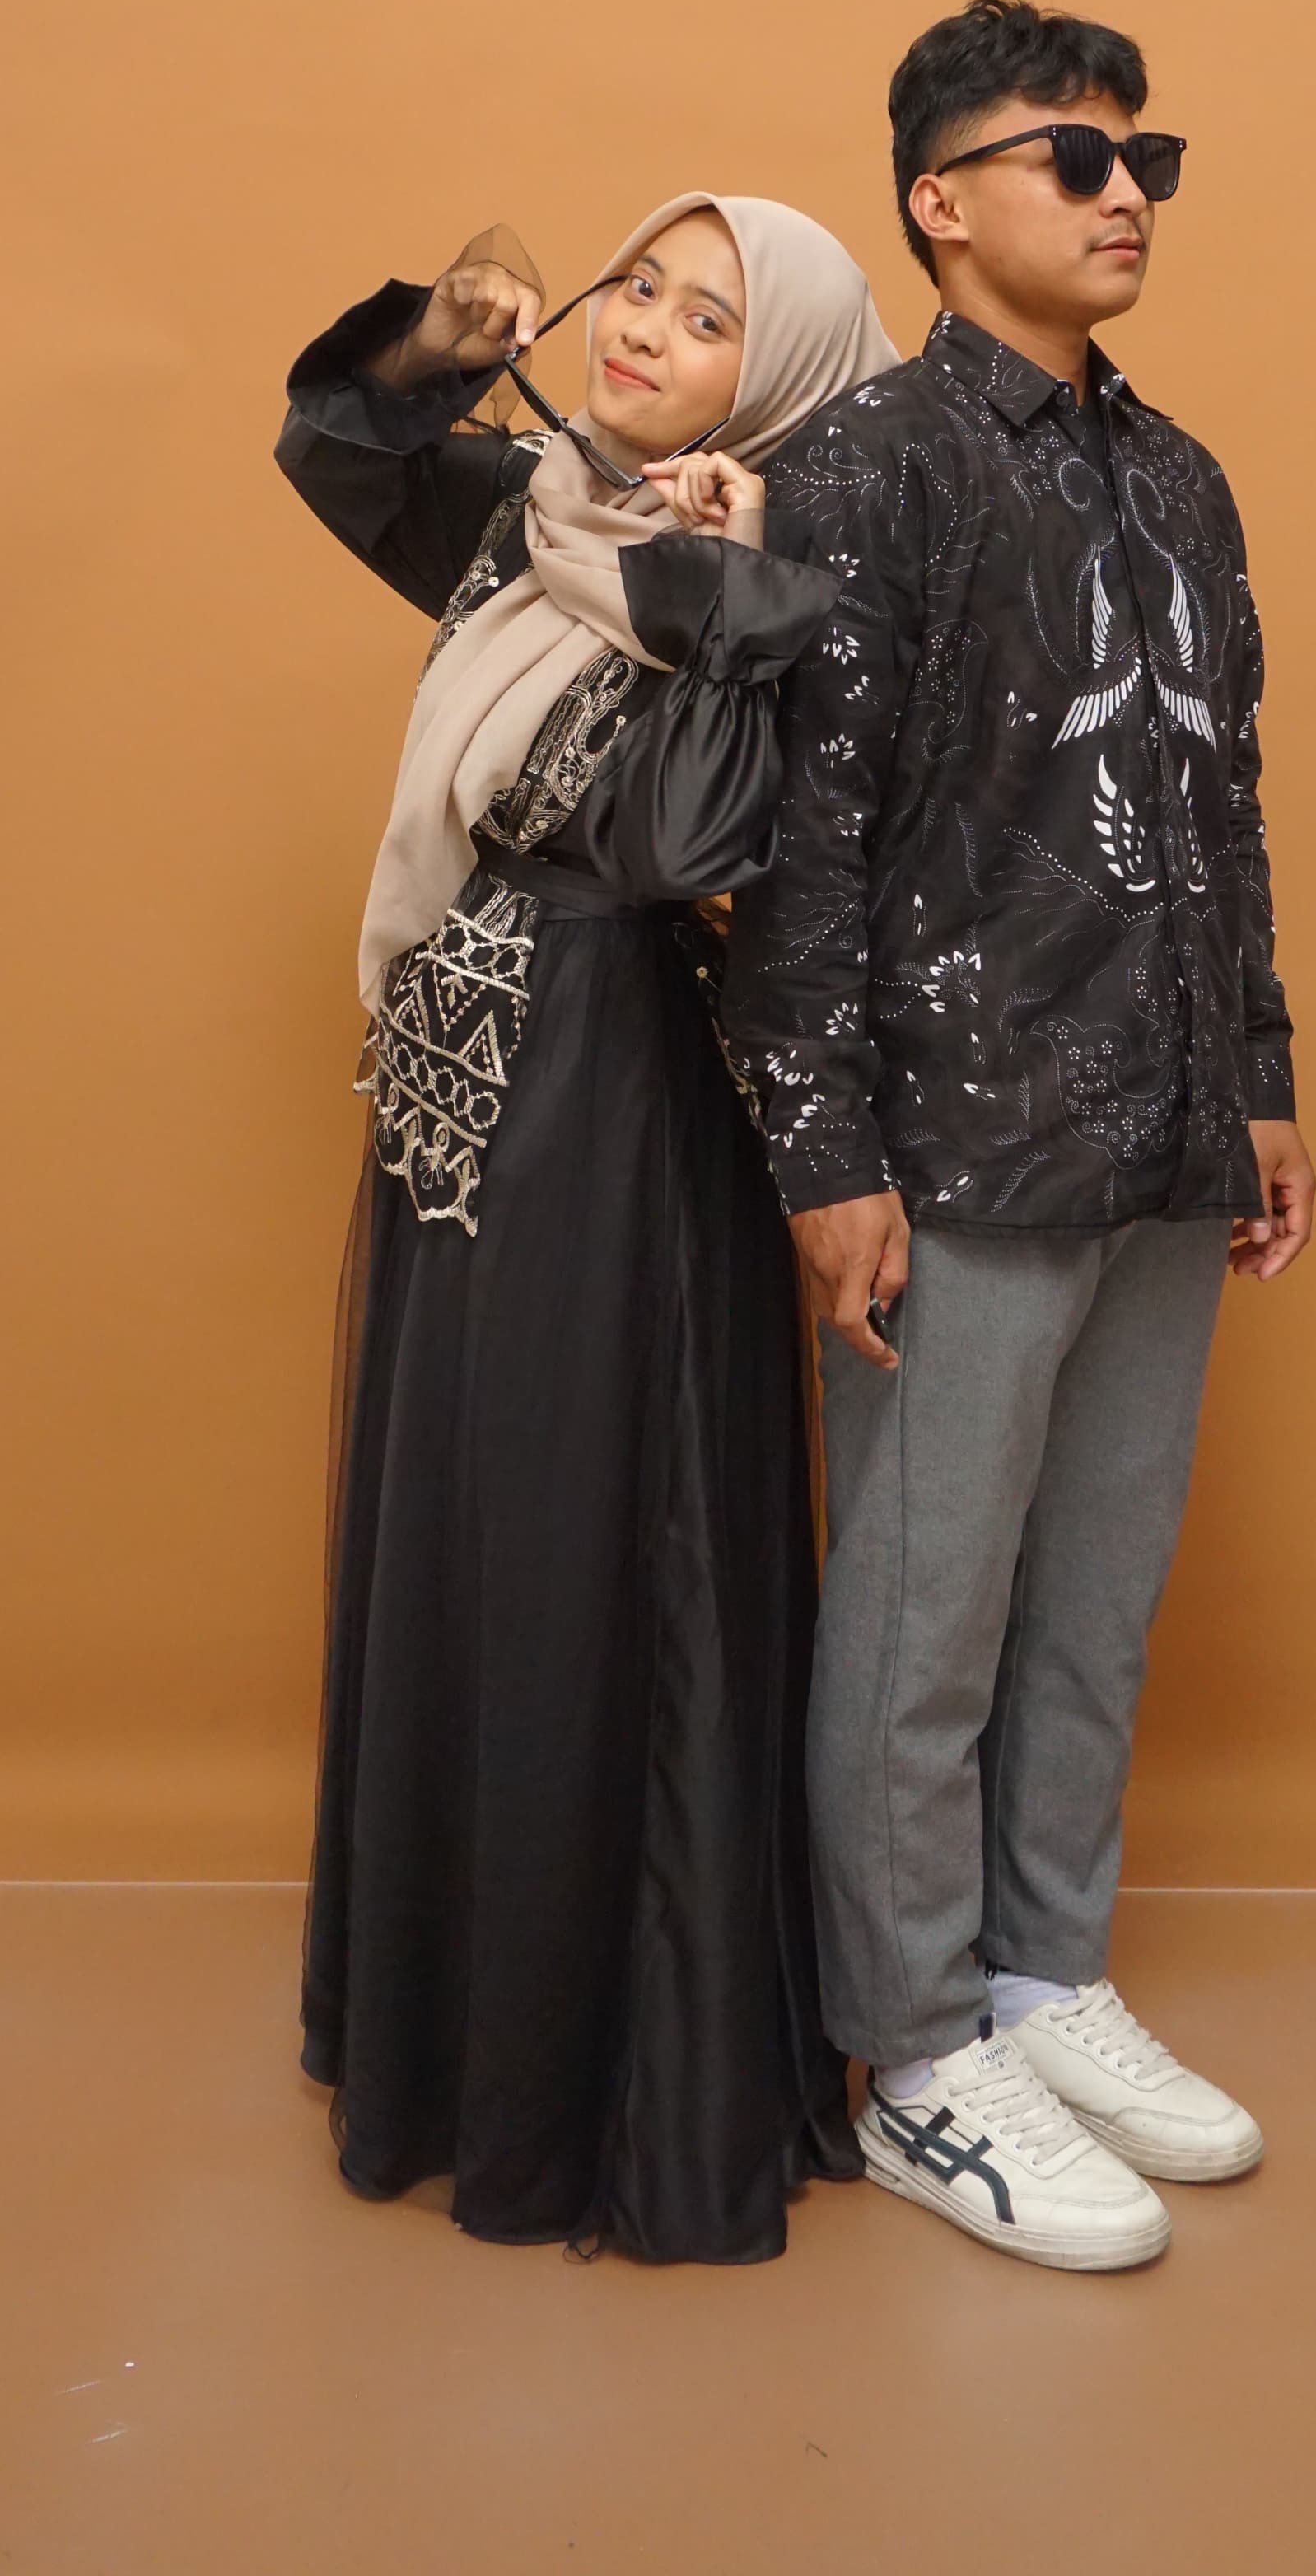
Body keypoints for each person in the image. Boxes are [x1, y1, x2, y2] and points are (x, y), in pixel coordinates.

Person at [724, 0, 1316, 2273]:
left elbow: (1217, 799)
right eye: (1071, 156)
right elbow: (803, 847)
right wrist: (822, 1154)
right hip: (954, 1143)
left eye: (1142, 155)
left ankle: (1043, 1978)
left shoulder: (1180, 480)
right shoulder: (864, 471)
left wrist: (1257, 1075)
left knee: (1094, 1594)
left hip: (1160, 1130)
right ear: (937, 201)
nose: (1122, 191)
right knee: (923, 1614)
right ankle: (913, 2055)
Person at [279, 190, 897, 2264]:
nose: (641, 329)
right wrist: (442, 346)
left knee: (575, 1537)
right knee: (459, 1513)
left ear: (775, 385)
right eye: (639, 283)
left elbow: (683, 836)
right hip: (454, 1089)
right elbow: (336, 452)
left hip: (615, 1107)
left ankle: (571, 2079)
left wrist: (722, 576)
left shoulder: (779, 595)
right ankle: (440, 2032)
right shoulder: (533, 516)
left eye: (706, 319)